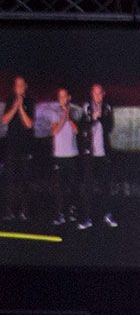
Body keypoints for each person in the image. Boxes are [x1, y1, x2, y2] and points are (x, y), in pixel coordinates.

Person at [76, 83, 116, 228]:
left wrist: (101, 117)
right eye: (95, 93)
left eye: (100, 93)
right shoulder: (86, 107)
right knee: (88, 187)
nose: (98, 96)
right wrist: (92, 118)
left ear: (103, 94)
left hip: (103, 154)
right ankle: (87, 218)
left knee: (105, 187)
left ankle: (107, 215)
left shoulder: (107, 108)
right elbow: (81, 127)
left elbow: (110, 127)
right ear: (91, 94)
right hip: (90, 154)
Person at [2, 76, 33, 222]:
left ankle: (24, 211)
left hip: (25, 149)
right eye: (17, 85)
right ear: (14, 88)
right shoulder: (10, 101)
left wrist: (21, 107)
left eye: (22, 85)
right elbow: (5, 120)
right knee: (10, 181)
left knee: (24, 181)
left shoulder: (29, 102)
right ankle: (9, 210)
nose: (19, 87)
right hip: (11, 148)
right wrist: (15, 106)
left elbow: (29, 124)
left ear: (25, 86)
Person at [47, 87, 77, 226]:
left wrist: (68, 117)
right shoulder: (54, 112)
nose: (62, 99)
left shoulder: (74, 112)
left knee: (72, 185)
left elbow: (76, 130)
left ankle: (71, 211)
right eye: (60, 96)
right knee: (59, 187)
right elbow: (54, 132)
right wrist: (63, 118)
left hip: (72, 154)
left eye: (64, 96)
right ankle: (59, 214)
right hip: (59, 155)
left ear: (69, 97)